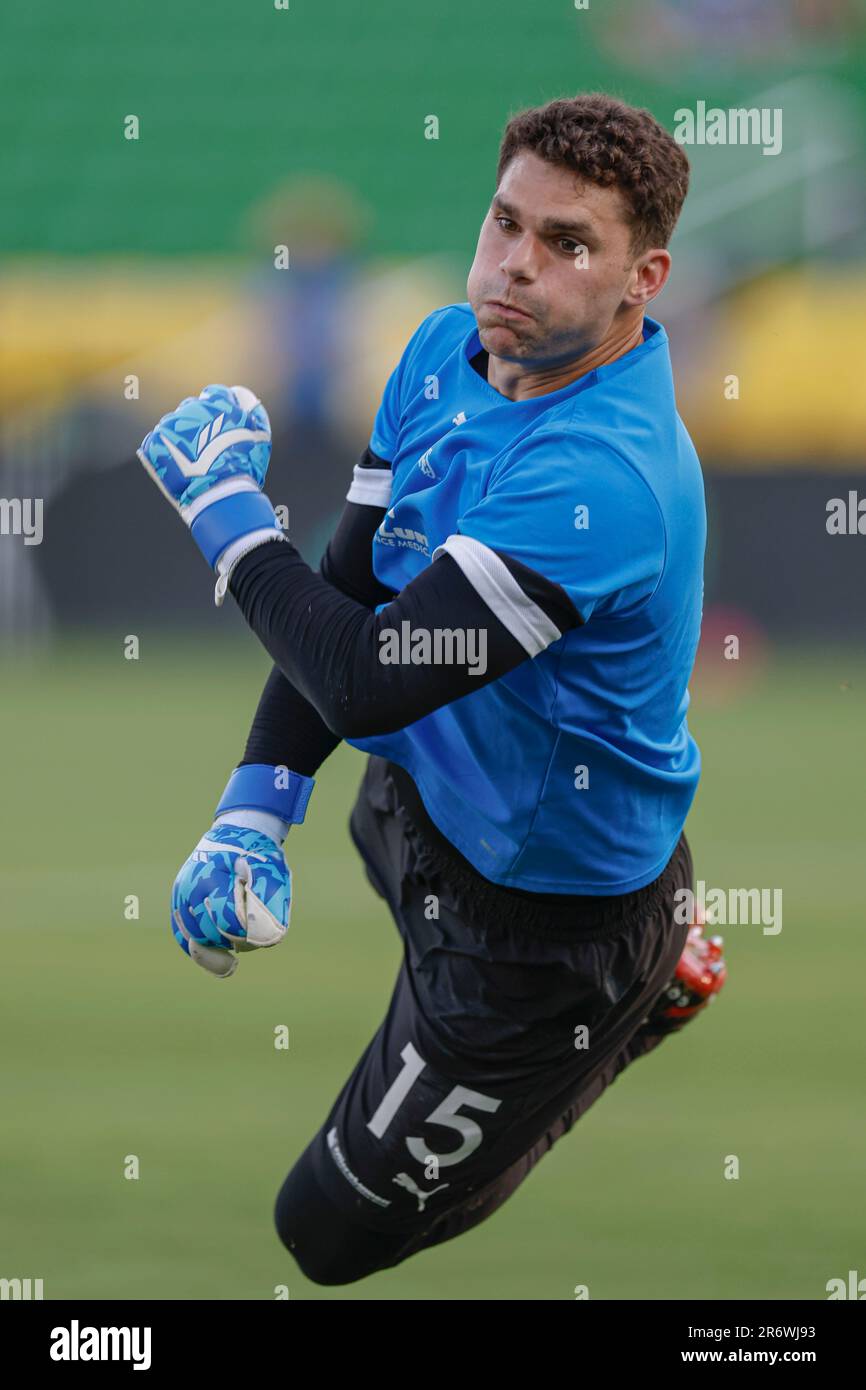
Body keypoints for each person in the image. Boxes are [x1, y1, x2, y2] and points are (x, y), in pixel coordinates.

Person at [137, 92, 726, 1286]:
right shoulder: (436, 351)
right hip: (415, 802)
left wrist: (229, 524)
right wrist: (255, 805)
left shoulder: (604, 478)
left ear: (640, 278)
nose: (514, 265)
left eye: (566, 245)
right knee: (369, 814)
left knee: (325, 1233)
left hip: (547, 931)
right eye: (504, 222)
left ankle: (633, 1010)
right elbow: (350, 590)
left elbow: (367, 682)